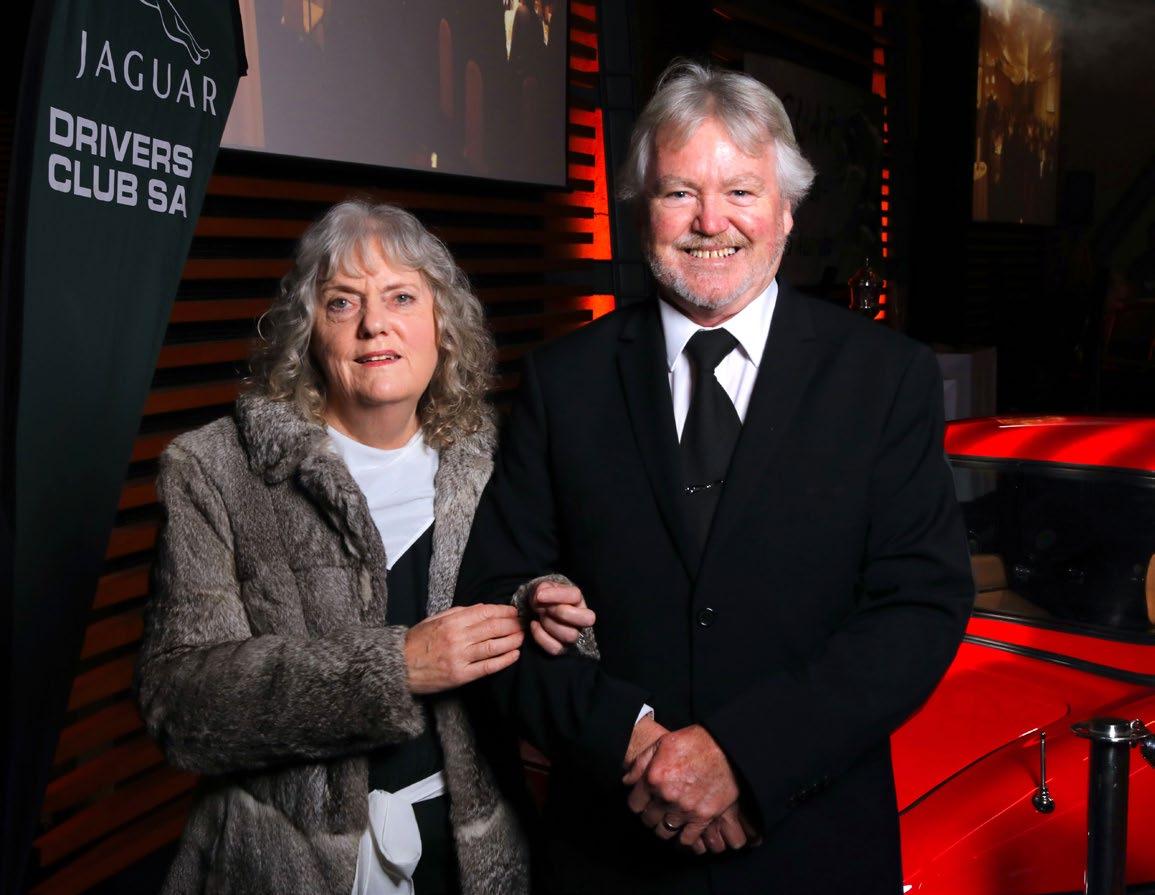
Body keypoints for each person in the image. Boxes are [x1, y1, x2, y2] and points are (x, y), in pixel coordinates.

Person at [455, 61, 974, 894]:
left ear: (786, 210)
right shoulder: (564, 381)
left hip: (812, 847)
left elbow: (918, 607)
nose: (709, 222)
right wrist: (631, 740)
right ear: (642, 208)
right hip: (610, 854)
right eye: (678, 193)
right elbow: (491, 601)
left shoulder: (884, 378)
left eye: (740, 191)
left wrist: (743, 758)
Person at [135, 200, 574, 895]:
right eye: (343, 302)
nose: (375, 325)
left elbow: (556, 654)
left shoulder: (493, 463)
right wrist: (394, 669)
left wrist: (551, 613)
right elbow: (180, 706)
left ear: (442, 323)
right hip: (283, 868)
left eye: (402, 297)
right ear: (308, 331)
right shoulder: (215, 470)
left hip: (469, 860)